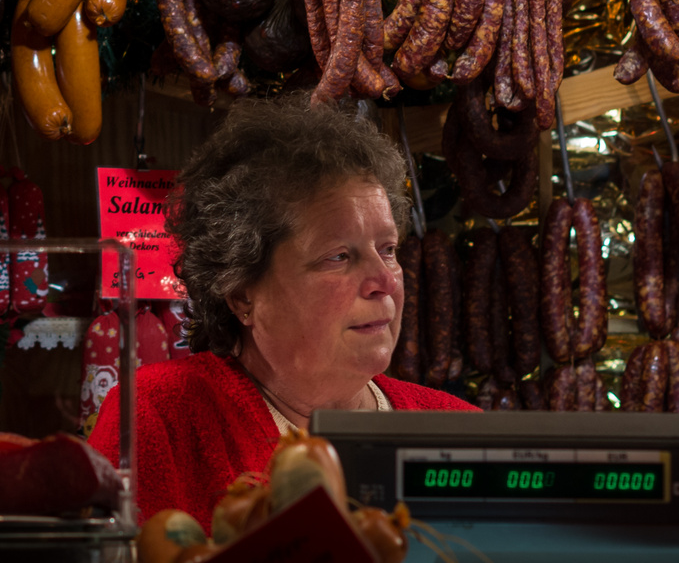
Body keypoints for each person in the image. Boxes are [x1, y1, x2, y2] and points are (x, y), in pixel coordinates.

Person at [89, 95, 476, 529]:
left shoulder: (460, 429)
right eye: (339, 256)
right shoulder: (157, 415)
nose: (384, 280)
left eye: (388, 250)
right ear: (241, 295)